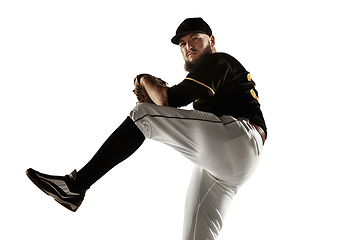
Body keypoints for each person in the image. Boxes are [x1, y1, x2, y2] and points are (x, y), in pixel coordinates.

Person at [26, 17, 267, 240]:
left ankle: (75, 186)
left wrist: (143, 79)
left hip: (238, 136)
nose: (188, 46)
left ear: (211, 41)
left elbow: (167, 100)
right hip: (233, 161)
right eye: (182, 43)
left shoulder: (218, 60)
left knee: (144, 114)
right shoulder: (212, 76)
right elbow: (171, 102)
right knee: (196, 232)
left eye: (195, 38)